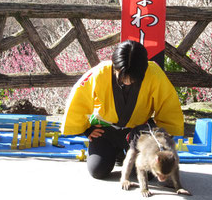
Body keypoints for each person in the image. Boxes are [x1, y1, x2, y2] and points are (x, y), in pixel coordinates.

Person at [61, 40, 184, 179]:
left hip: (138, 133)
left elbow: (168, 105)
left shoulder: (154, 73)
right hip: (106, 130)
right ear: (115, 67)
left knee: (146, 173)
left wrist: (163, 138)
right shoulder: (100, 72)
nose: (127, 82)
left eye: (132, 79)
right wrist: (86, 129)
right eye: (123, 76)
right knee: (98, 171)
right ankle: (115, 154)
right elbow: (79, 97)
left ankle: (123, 154)